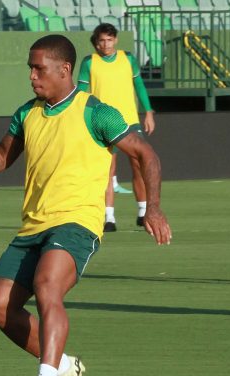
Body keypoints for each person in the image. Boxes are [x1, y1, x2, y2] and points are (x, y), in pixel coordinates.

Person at [0, 35, 171, 376]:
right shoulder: (27, 113)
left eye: (39, 69)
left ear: (65, 69)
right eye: (30, 69)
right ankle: (65, 365)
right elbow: (1, 156)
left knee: (47, 285)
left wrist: (153, 208)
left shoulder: (96, 112)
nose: (32, 76)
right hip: (33, 225)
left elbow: (145, 154)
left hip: (78, 222)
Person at [77, 23, 156, 232]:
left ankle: (142, 212)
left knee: (138, 164)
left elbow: (139, 86)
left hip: (129, 120)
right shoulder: (89, 62)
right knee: (107, 170)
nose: (106, 44)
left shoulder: (128, 59)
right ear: (96, 43)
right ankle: (109, 218)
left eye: (110, 40)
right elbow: (81, 93)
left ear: (116, 40)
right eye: (102, 40)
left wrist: (148, 112)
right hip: (102, 122)